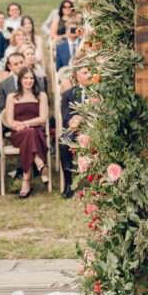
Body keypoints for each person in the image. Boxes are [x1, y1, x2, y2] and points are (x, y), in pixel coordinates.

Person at [4, 68, 49, 198]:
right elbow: (9, 120)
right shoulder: (12, 97)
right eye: (26, 78)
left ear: (35, 80)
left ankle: (26, 182)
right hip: (18, 134)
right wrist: (17, 126)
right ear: (20, 80)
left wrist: (26, 124)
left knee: (30, 135)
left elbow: (43, 118)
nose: (29, 81)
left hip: (35, 132)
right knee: (29, 134)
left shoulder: (41, 96)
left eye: (31, 78)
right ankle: (40, 164)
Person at [59, 66, 91, 197]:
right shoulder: (68, 94)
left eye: (91, 72)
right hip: (74, 129)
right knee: (64, 142)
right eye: (85, 72)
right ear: (77, 77)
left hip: (95, 129)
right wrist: (78, 122)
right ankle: (68, 182)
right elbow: (66, 118)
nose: (89, 74)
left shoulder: (98, 92)